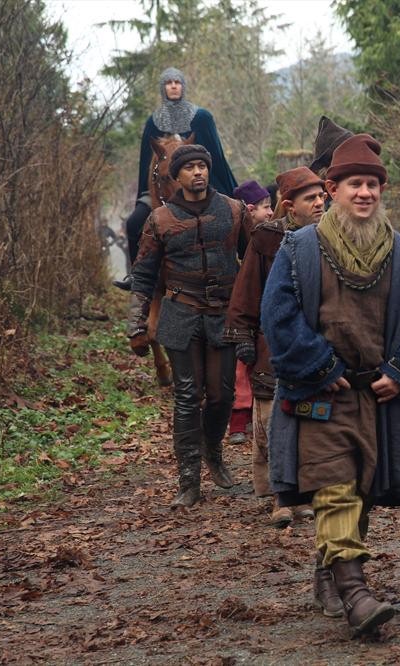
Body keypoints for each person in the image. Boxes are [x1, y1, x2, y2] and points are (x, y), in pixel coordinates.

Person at [261, 135, 400, 636]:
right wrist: (320, 366)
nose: (365, 193)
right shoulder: (298, 249)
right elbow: (279, 317)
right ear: (332, 189)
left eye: (373, 185)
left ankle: (331, 569)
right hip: (320, 395)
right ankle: (358, 594)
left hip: (376, 396)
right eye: (354, 184)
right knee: (334, 487)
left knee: (362, 491)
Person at [127, 144, 246, 508]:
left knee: (222, 394)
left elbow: (253, 261)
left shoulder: (233, 210)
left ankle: (213, 450)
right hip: (180, 314)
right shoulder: (160, 219)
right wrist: (136, 323)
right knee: (187, 396)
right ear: (176, 176)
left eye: (202, 166)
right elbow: (144, 274)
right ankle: (189, 479)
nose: (198, 172)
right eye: (190, 167)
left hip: (222, 314)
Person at [225, 170, 324, 533]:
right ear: (289, 206)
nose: (318, 204)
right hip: (272, 344)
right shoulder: (267, 240)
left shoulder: (329, 237)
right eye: (310, 198)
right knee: (270, 423)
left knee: (312, 418)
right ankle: (278, 496)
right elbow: (247, 288)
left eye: (321, 197)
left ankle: (307, 491)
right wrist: (244, 337)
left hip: (314, 343)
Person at [114, 67, 238, 290]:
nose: (173, 86)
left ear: (183, 86)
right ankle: (138, 277)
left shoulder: (201, 117)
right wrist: (146, 191)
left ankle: (237, 267)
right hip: (160, 187)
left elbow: (215, 158)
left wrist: (221, 188)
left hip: (200, 184)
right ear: (163, 88)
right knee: (133, 224)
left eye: (177, 82)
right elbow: (146, 163)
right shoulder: (154, 121)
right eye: (169, 83)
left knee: (230, 219)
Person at [226, 181, 275, 448]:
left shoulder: (271, 235)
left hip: (264, 309)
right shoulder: (237, 234)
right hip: (242, 309)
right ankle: (238, 419)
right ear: (250, 209)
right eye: (266, 207)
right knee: (241, 367)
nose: (271, 212)